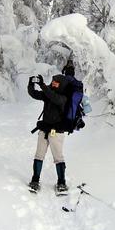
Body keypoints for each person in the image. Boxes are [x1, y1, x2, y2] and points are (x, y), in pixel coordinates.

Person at [27, 61, 78, 194]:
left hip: (57, 131)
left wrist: (43, 85)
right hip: (44, 129)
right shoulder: (49, 93)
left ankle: (61, 182)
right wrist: (31, 83)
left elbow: (54, 98)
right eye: (53, 83)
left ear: (60, 85)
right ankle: (35, 180)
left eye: (55, 83)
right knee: (39, 155)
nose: (53, 84)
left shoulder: (63, 98)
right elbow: (34, 94)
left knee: (58, 157)